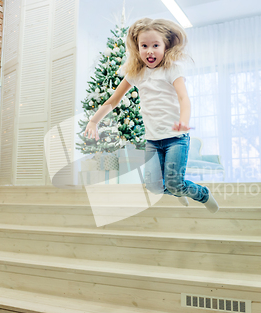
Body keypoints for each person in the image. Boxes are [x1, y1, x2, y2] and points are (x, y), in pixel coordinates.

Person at [83, 18, 219, 213]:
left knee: (174, 183)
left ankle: (202, 194)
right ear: (137, 49)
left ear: (166, 46)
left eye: (156, 45)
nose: (150, 51)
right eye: (144, 46)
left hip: (175, 139)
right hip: (153, 141)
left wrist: (184, 121)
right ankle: (179, 191)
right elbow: (114, 100)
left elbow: (183, 98)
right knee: (155, 187)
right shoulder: (136, 73)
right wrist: (94, 120)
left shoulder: (172, 70)